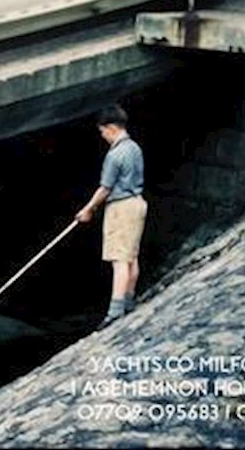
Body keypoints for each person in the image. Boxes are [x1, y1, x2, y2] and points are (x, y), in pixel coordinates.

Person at [75, 104, 146, 326]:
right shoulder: (135, 148)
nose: (103, 136)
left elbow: (105, 188)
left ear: (112, 128)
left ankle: (115, 312)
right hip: (138, 204)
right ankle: (128, 301)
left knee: (119, 259)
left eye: (103, 131)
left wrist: (88, 209)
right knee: (132, 256)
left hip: (122, 207)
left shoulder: (115, 154)